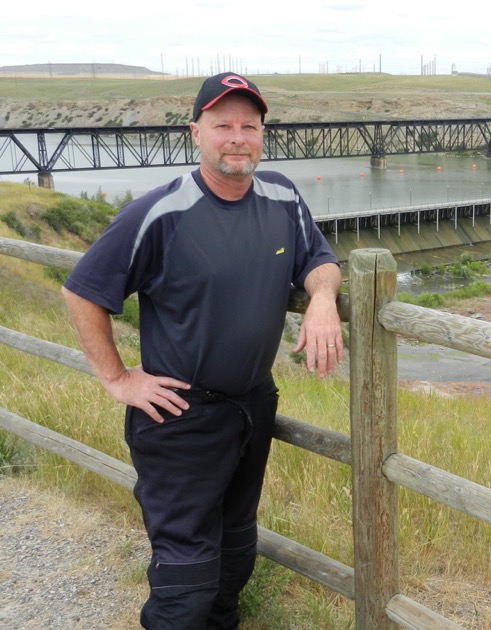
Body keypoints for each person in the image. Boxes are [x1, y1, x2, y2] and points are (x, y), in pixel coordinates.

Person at [61, 72, 343, 629]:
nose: (237, 137)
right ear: (196, 132)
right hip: (180, 416)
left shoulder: (283, 195)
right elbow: (81, 291)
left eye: (249, 126)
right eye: (223, 126)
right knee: (186, 573)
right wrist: (118, 379)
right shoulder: (158, 213)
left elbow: (319, 258)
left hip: (252, 405)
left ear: (262, 133)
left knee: (236, 550)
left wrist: (323, 299)